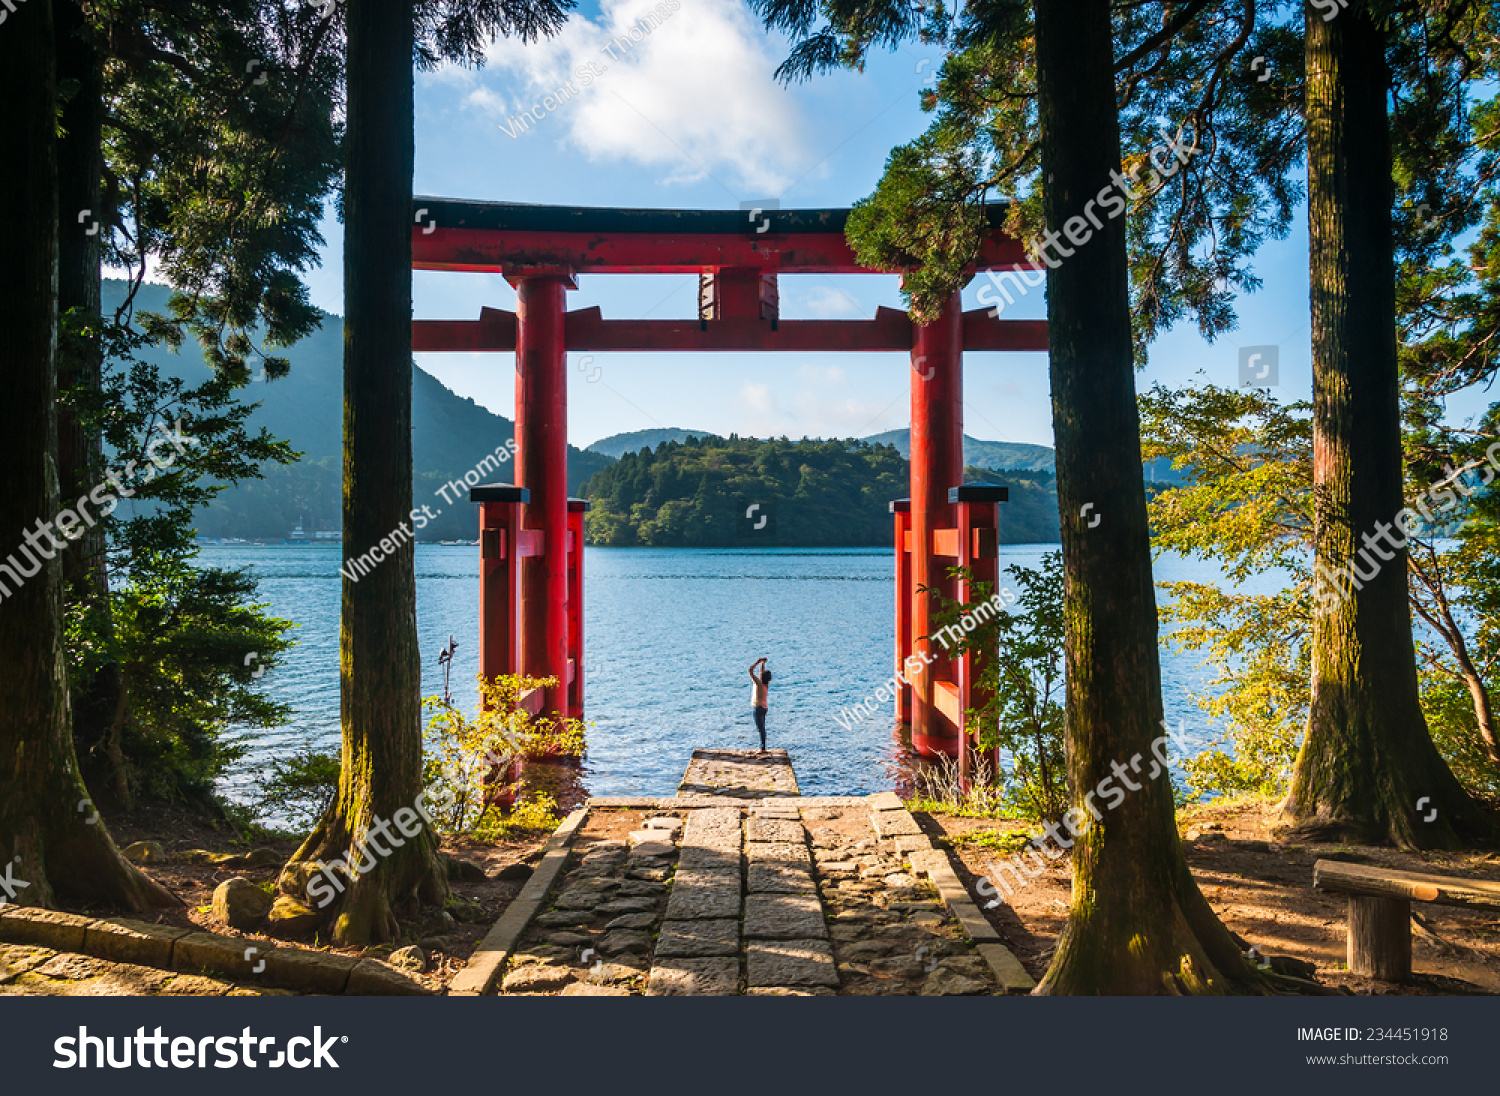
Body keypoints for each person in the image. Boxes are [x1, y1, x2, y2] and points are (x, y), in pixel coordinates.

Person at [749, 657, 772, 752]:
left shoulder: (758, 683)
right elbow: (761, 673)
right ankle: (762, 747)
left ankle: (763, 748)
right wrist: (762, 663)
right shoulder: (765, 684)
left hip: (758, 708)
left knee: (761, 729)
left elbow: (750, 671)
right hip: (764, 708)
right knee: (762, 728)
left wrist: (757, 662)